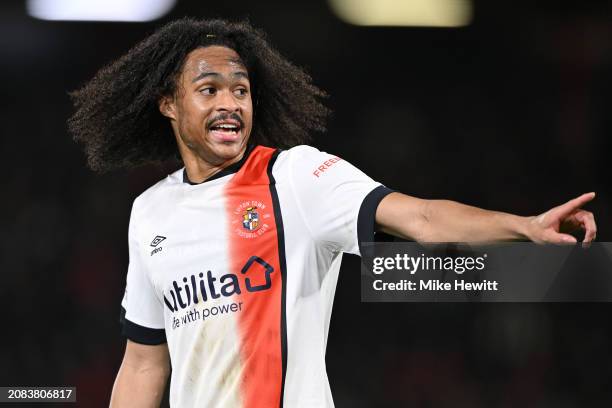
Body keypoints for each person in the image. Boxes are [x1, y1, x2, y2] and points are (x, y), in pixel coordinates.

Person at [68, 18, 597, 408]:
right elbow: (143, 362)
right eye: (209, 90)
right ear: (168, 103)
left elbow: (422, 219)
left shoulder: (295, 178)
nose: (230, 104)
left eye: (241, 91)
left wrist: (524, 228)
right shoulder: (151, 212)